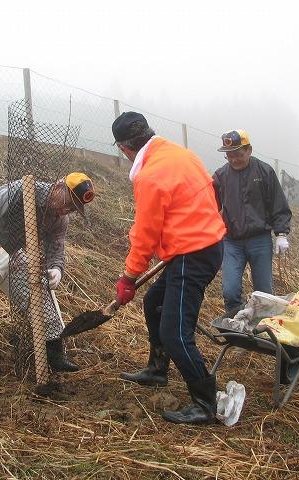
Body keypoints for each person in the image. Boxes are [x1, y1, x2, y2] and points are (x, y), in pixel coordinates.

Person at [111, 111, 226, 424]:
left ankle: (205, 402)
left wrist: (129, 278)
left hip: (193, 253)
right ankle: (157, 370)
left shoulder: (151, 176)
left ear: (124, 148)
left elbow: (144, 235)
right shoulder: (182, 155)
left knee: (174, 333)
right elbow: (207, 197)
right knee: (154, 302)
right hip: (203, 245)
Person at [0, 172, 95, 380]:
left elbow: (56, 248)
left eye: (73, 208)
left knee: (40, 290)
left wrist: (56, 269)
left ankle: (54, 353)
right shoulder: (21, 190)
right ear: (58, 186)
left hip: (11, 254)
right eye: (67, 201)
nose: (67, 209)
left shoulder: (60, 218)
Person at [212, 130, 292, 316]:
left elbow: (278, 204)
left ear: (249, 150)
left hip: (260, 240)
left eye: (238, 155)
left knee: (264, 292)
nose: (234, 160)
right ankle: (235, 328)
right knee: (230, 291)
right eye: (229, 155)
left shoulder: (264, 171)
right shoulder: (221, 176)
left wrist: (281, 233)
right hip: (231, 242)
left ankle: (264, 330)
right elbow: (210, 207)